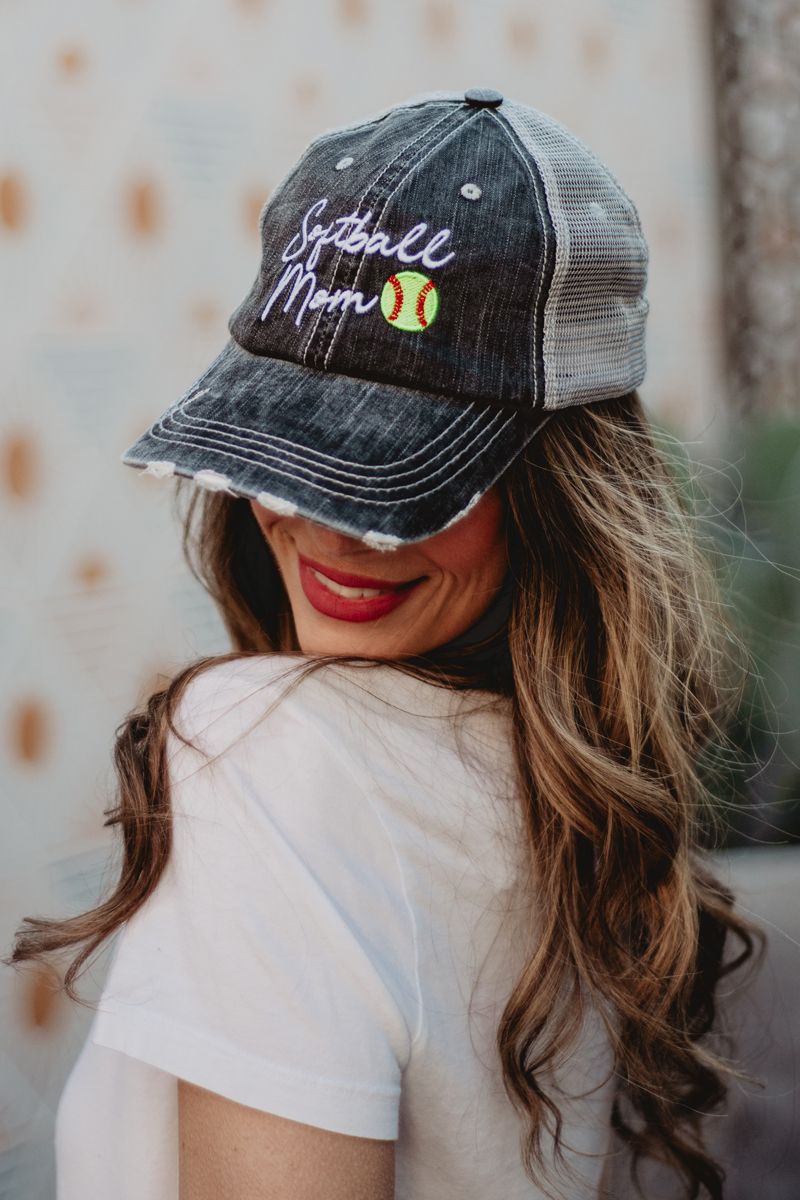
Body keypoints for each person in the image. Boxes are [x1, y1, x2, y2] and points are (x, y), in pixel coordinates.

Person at [8, 87, 761, 1200]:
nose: (323, 528)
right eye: (288, 447)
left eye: (401, 472)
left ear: (560, 491)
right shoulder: (577, 804)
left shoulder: (264, 749)